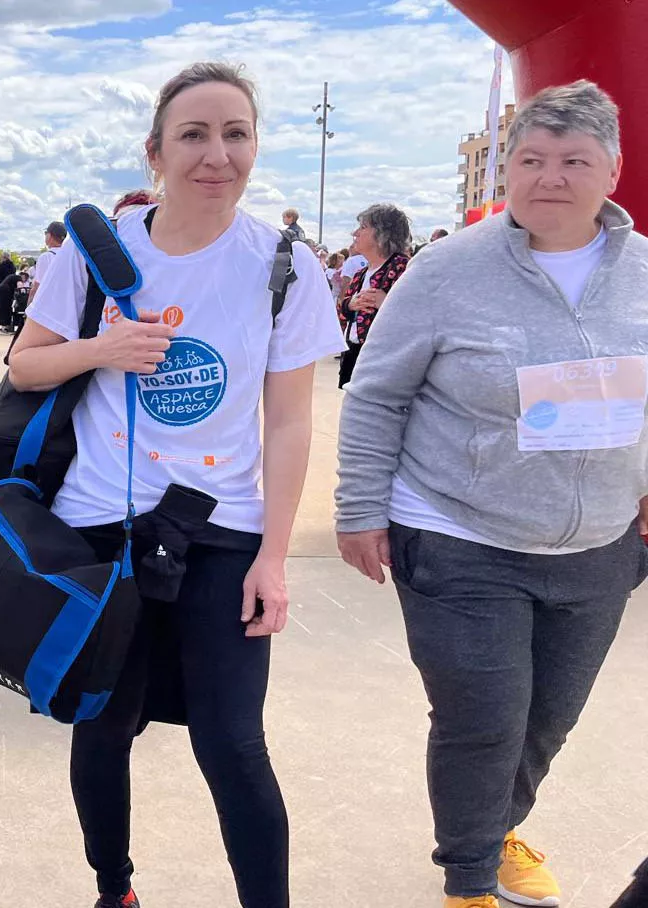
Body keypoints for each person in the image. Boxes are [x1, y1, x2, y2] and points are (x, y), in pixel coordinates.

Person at [7, 62, 343, 908]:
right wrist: (102, 350)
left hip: (220, 530)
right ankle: (114, 890)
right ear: (156, 151)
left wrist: (274, 558)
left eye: (236, 133)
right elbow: (25, 364)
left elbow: (291, 423)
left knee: (233, 742)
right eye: (194, 134)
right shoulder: (95, 252)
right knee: (104, 723)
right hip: (99, 531)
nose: (216, 154)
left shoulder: (285, 265)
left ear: (257, 147)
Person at [336, 80, 648, 908]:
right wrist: (359, 508)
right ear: (505, 171)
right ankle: (469, 878)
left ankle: (497, 826)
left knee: (546, 721)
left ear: (611, 170)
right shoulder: (446, 271)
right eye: (531, 159)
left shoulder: (647, 271)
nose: (550, 177)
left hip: (599, 547)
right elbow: (377, 394)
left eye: (574, 160)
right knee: (483, 717)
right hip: (457, 532)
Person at [336, 203, 412, 388]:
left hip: (384, 358)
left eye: (363, 227)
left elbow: (418, 316)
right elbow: (341, 312)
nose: (355, 233)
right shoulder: (361, 273)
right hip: (354, 353)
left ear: (383, 234)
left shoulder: (404, 268)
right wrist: (350, 305)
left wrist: (386, 303)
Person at [26, 220, 66, 310]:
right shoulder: (69, 255)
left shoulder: (46, 257)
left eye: (46, 233)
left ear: (50, 235)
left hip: (49, 306)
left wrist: (29, 306)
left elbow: (38, 286)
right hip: (65, 304)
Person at [0, 251, 17, 331]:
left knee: (1, 307)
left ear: (4, 257)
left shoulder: (2, 265)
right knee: (8, 307)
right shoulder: (13, 266)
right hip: (10, 289)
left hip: (1, 289)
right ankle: (8, 324)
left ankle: (3, 325)